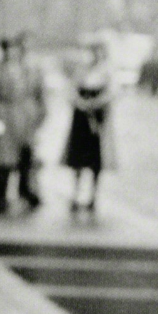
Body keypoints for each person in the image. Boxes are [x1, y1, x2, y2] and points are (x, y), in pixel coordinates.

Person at [63, 44, 117, 219]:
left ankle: (93, 196)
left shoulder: (107, 71)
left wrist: (95, 104)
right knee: (78, 156)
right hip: (81, 116)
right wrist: (80, 103)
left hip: (97, 116)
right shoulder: (82, 70)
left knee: (95, 157)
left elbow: (111, 93)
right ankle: (76, 193)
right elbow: (71, 90)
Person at [0, 39, 27, 216]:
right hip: (0, 116)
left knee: (10, 160)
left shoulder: (23, 72)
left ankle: (5, 194)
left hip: (15, 118)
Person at [14, 32, 46, 210]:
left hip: (28, 116)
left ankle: (28, 190)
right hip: (14, 114)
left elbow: (41, 95)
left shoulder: (35, 69)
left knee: (29, 154)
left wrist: (40, 117)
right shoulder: (12, 66)